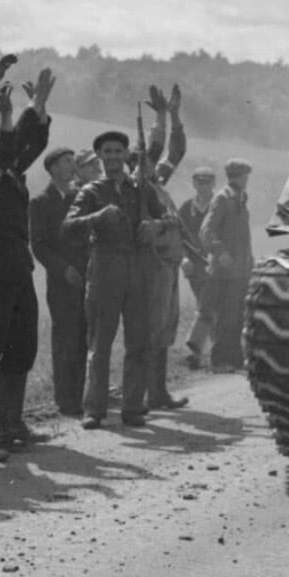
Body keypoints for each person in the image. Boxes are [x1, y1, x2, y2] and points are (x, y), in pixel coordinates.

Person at [61, 129, 169, 429]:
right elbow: (68, 227)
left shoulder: (142, 189)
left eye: (117, 151)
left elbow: (169, 220)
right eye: (106, 152)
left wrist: (155, 226)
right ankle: (94, 410)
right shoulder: (91, 192)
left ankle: (133, 407)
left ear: (125, 156)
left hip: (138, 268)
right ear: (100, 157)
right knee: (100, 343)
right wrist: (98, 217)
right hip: (105, 267)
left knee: (138, 341)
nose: (112, 157)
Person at [0, 61, 53, 447]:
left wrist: (39, 104)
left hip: (19, 271)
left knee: (22, 347)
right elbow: (7, 139)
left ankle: (11, 424)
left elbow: (32, 143)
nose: (16, 150)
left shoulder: (13, 173)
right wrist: (12, 106)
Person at [29, 145, 89, 417]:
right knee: (66, 337)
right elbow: (39, 245)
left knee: (83, 336)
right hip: (61, 281)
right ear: (52, 168)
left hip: (87, 276)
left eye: (72, 161)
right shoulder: (41, 202)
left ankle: (81, 395)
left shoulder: (82, 197)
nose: (71, 166)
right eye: (65, 162)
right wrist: (63, 269)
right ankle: (66, 399)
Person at [142, 85, 190, 411]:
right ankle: (150, 393)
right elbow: (159, 148)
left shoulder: (155, 183)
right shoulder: (138, 188)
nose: (149, 165)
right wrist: (160, 116)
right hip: (152, 266)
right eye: (142, 162)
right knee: (153, 330)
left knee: (164, 329)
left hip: (169, 266)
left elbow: (176, 152)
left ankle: (157, 392)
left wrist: (174, 115)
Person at [200, 157, 255, 372]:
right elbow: (206, 231)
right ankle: (219, 360)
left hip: (240, 270)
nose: (246, 179)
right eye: (245, 176)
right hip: (225, 271)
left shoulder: (240, 198)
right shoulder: (223, 199)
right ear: (238, 177)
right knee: (226, 316)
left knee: (238, 315)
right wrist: (219, 251)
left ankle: (235, 358)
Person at [177, 166, 216, 370]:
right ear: (193, 183)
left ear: (213, 184)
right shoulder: (185, 208)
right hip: (194, 268)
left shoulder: (220, 205)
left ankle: (194, 351)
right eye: (200, 182)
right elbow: (179, 238)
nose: (203, 186)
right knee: (207, 308)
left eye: (207, 182)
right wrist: (184, 259)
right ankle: (217, 352)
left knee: (207, 306)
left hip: (216, 267)